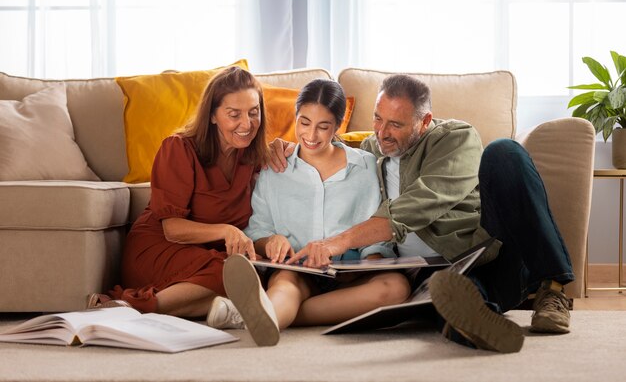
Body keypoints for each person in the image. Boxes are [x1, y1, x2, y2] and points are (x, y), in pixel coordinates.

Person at [269, 74, 574, 354]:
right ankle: (472, 319)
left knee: (505, 152)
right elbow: (326, 147)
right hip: (434, 277)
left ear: (424, 120)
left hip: (482, 256)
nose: (382, 133)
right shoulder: (370, 150)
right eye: (378, 118)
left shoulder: (455, 138)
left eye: (396, 125)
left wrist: (339, 242)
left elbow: (420, 203)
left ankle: (554, 289)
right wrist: (288, 147)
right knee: (451, 299)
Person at [222, 79, 411, 346]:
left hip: (348, 275)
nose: (311, 136)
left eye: (323, 127)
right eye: (304, 123)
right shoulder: (275, 166)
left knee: (396, 287)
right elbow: (257, 231)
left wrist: (372, 261)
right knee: (286, 284)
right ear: (295, 117)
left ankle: (256, 315)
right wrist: (270, 241)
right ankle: (271, 314)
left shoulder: (365, 166)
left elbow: (376, 228)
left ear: (337, 125)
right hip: (295, 272)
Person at [90, 66, 267, 329]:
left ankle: (204, 306)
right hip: (158, 247)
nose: (247, 124)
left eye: (254, 112)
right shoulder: (179, 148)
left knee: (261, 271)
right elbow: (172, 229)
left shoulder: (255, 156)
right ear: (213, 116)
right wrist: (227, 231)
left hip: (205, 256)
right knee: (235, 272)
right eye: (234, 115)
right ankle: (136, 308)